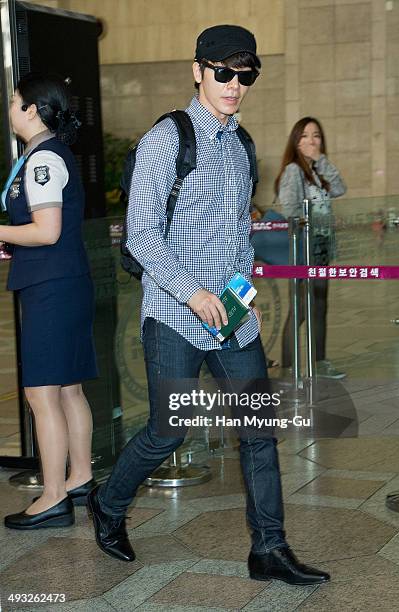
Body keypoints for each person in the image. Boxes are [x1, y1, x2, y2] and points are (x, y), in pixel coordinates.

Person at [87, 25, 329, 586]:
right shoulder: (166, 140)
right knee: (169, 431)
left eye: (245, 76)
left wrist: (244, 297)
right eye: (224, 72)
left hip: (231, 316)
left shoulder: (241, 145)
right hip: (174, 313)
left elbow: (238, 240)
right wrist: (190, 291)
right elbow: (141, 233)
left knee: (259, 432)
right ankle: (108, 504)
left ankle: (269, 548)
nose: (234, 85)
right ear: (198, 70)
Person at [1, 73, 98, 530]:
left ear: (32, 110)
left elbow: (47, 231)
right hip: (66, 282)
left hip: (51, 289)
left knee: (42, 394)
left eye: (14, 101)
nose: (10, 108)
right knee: (68, 389)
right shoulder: (48, 156)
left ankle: (54, 495)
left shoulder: (42, 160)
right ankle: (80, 478)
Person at [276, 117, 347, 379]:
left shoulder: (317, 171)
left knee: (319, 307)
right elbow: (291, 212)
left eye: (316, 135)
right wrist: (319, 219)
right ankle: (288, 370)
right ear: (296, 141)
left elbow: (340, 188)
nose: (311, 141)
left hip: (321, 250)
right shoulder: (293, 171)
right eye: (304, 136)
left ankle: (319, 364)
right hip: (302, 250)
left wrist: (321, 160)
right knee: (300, 311)